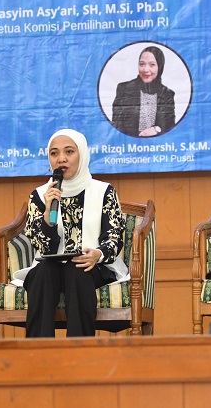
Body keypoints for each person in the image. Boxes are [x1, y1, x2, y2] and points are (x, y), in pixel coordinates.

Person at [22, 129, 128, 337]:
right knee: (43, 273)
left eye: (69, 152)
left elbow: (114, 236)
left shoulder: (104, 191)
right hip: (50, 266)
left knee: (77, 270)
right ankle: (37, 352)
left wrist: (97, 254)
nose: (61, 158)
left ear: (82, 154)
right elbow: (42, 247)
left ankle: (80, 351)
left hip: (92, 266)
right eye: (54, 153)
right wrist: (47, 213)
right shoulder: (40, 195)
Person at [111, 46, 176, 137]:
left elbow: (170, 127)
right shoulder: (124, 89)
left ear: (160, 67)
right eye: (142, 64)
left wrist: (156, 129)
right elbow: (116, 126)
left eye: (152, 65)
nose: (145, 69)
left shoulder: (167, 94)